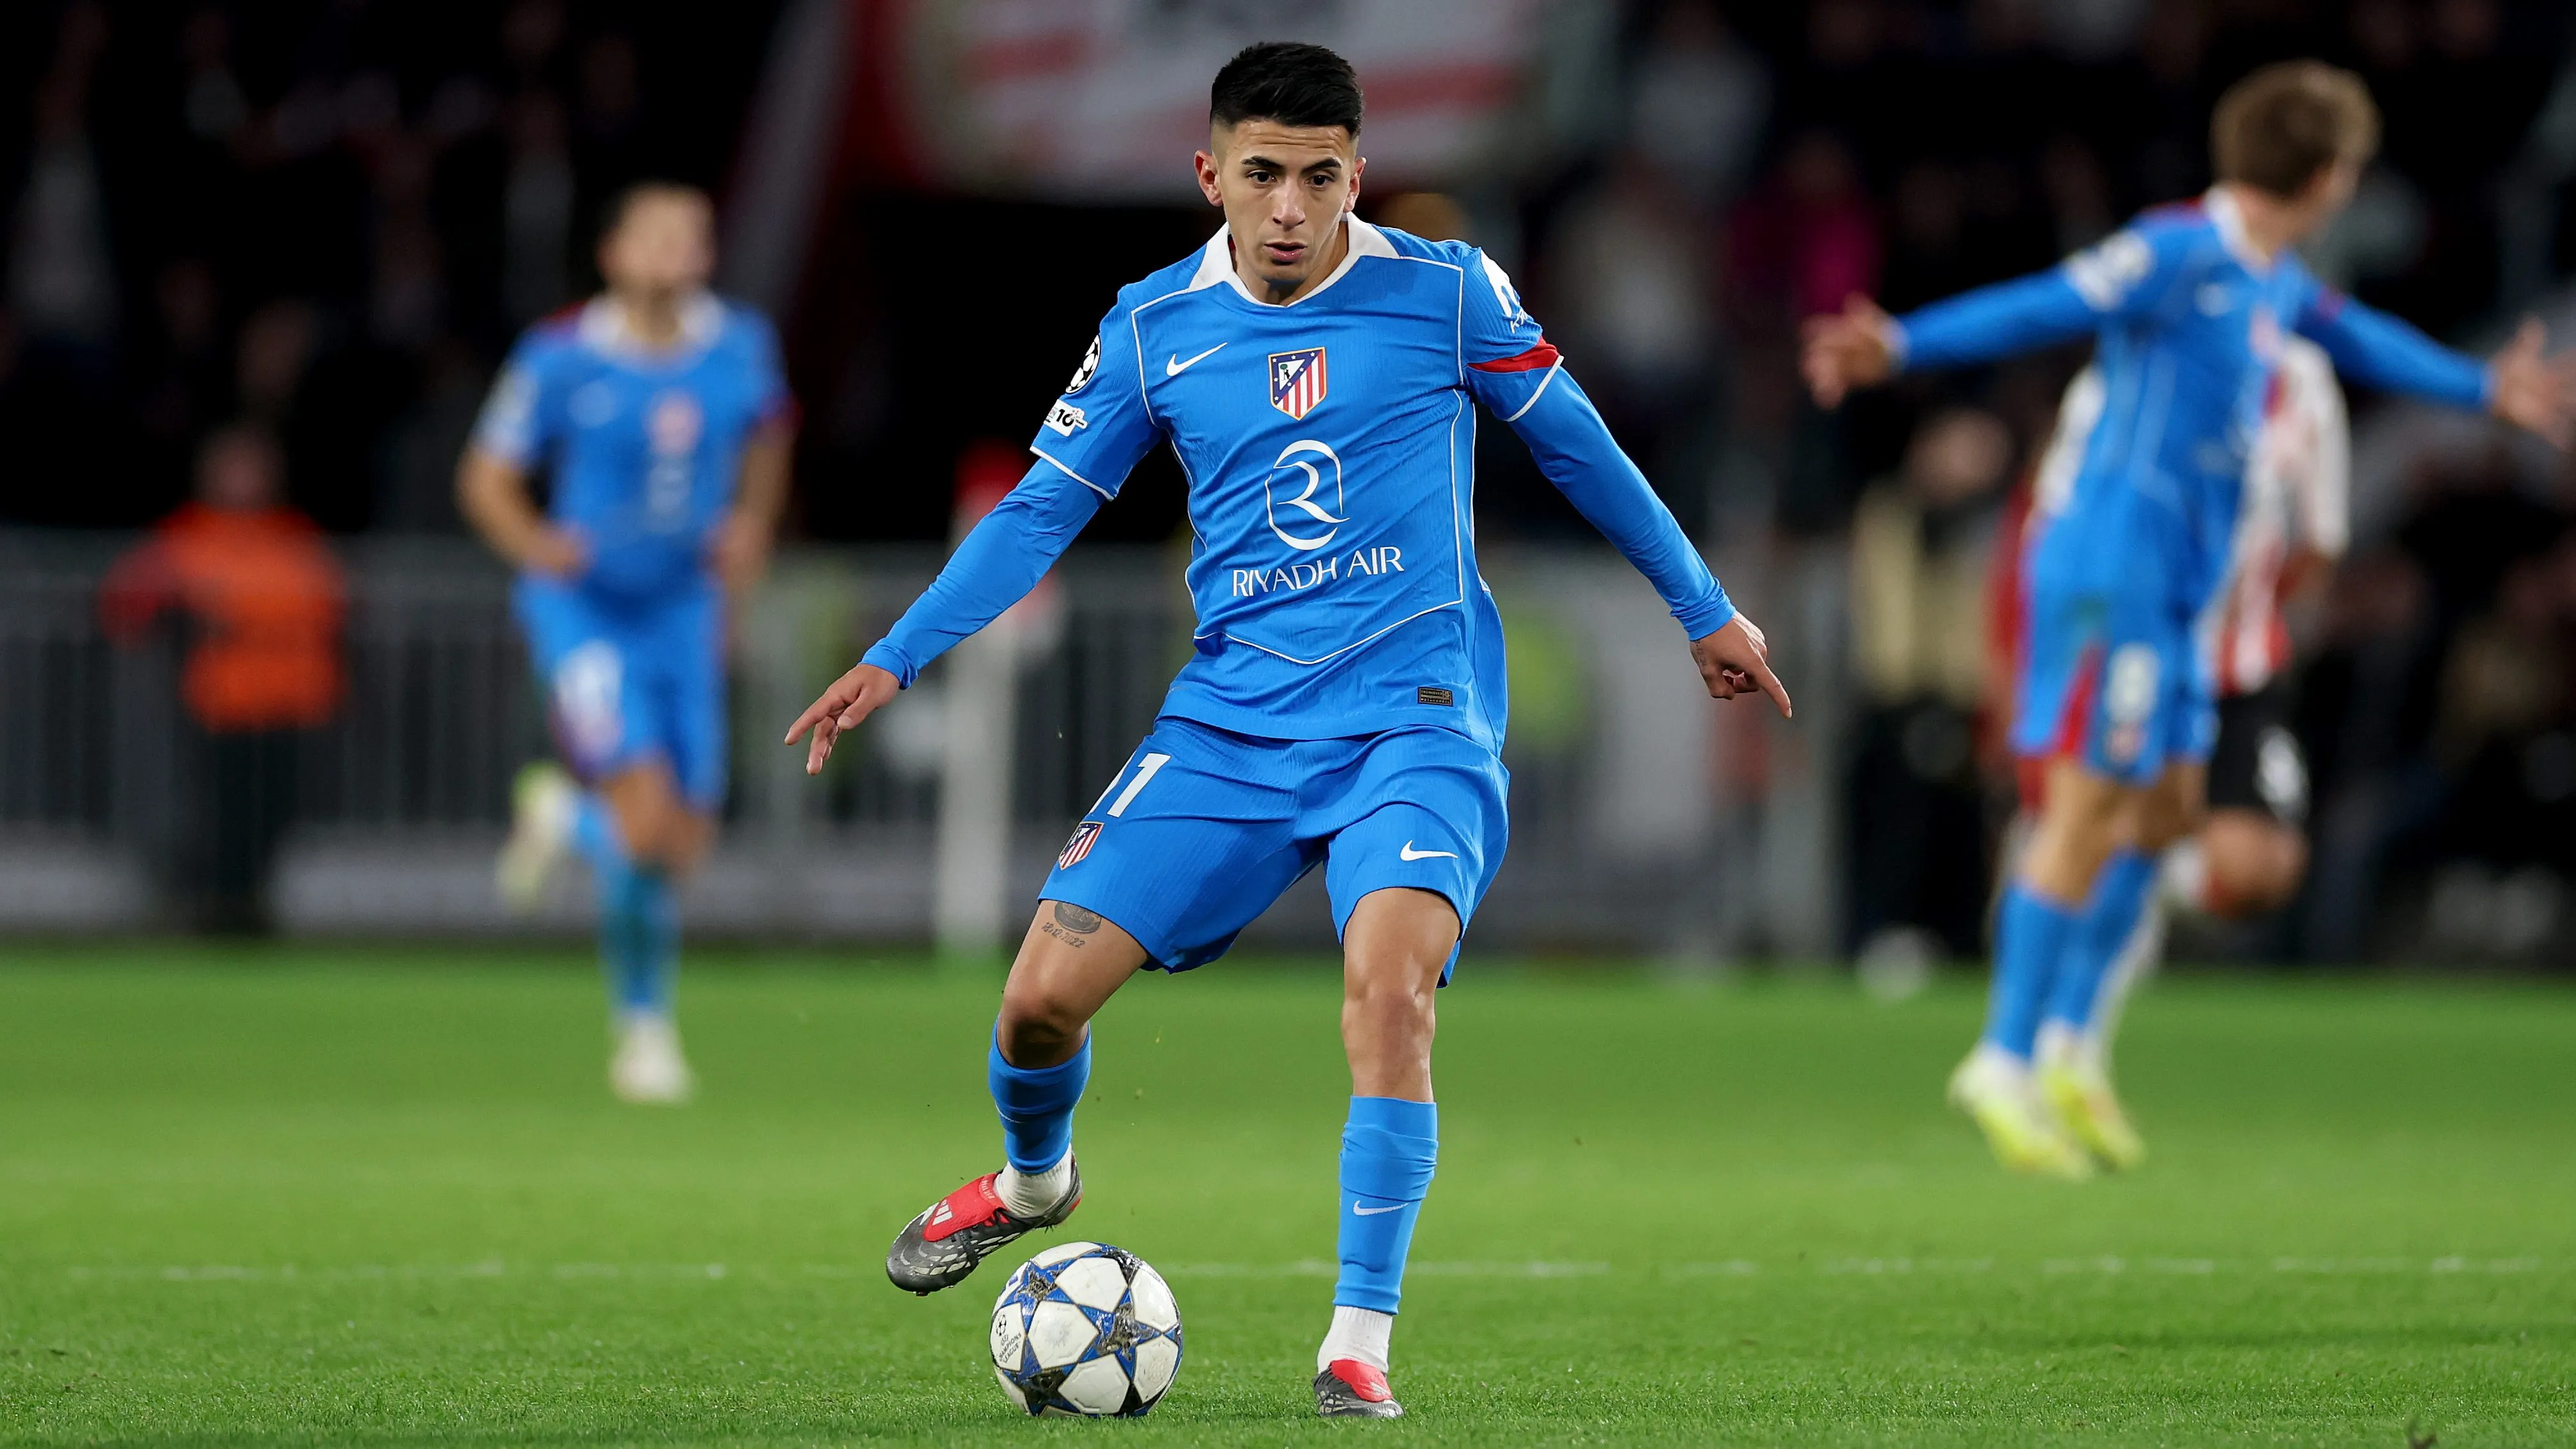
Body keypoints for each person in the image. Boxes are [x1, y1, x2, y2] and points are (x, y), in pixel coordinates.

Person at [784, 42, 1788, 1418]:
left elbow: (1579, 447)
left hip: (1414, 719)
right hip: (1231, 727)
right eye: (1261, 175)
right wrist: (897, 657)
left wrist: (1705, 610)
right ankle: (1034, 1182)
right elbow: (1037, 510)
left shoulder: (1444, 295)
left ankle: (1355, 1341)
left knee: (1389, 989)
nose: (1290, 207)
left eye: (1319, 177)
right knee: (1034, 1008)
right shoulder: (1149, 327)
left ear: (1355, 176)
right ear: (1210, 177)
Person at [1803, 60, 2575, 1178]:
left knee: (2162, 817)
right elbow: (2051, 300)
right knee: (2086, 803)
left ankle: (2068, 1038)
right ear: (2322, 174)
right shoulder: (2178, 250)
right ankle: (2002, 1052)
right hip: (2112, 568)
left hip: (2180, 594)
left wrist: (2476, 388)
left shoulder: (2268, 278)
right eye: (2348, 171)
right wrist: (1904, 344)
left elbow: (2355, 334)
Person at [458, 182, 794, 1104]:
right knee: (644, 820)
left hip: (685, 606)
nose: (675, 251)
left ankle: (563, 818)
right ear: (612, 254)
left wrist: (752, 527)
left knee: (682, 842)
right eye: (654, 236)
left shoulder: (739, 345)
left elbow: (769, 436)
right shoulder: (560, 356)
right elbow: (485, 475)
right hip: (586, 611)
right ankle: (643, 1030)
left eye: (691, 235)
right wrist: (537, 546)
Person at [2023, 336, 2349, 1138]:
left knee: (2259, 870)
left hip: (2238, 667)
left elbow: (2318, 541)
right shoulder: (2113, 382)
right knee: (2094, 828)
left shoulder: (2301, 380)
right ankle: (2052, 1047)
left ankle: (2146, 861)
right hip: (2136, 651)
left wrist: (2248, 611)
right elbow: (2053, 521)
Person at [100, 425, 345, 931]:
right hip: (221, 701)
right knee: (214, 812)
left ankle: (251, 902)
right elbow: (125, 604)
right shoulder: (185, 535)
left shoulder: (294, 535)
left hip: (292, 702)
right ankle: (211, 905)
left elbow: (330, 607)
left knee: (273, 816)